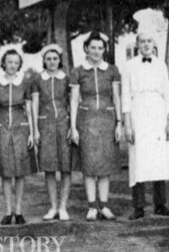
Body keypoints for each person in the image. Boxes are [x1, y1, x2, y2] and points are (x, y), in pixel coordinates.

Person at [69, 32, 122, 221]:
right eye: (93, 48)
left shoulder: (112, 70)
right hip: (86, 121)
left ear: (104, 50)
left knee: (105, 164)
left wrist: (119, 123)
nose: (97, 51)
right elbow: (74, 100)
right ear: (86, 48)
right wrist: (73, 127)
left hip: (107, 120)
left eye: (100, 48)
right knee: (89, 164)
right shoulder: (77, 71)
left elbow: (116, 97)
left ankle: (105, 206)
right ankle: (92, 206)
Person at [122, 32, 169, 220]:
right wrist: (127, 125)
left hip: (158, 114)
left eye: (149, 41)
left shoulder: (161, 65)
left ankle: (160, 204)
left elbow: (168, 95)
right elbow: (126, 96)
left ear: (154, 43)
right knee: (139, 159)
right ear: (137, 44)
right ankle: (138, 207)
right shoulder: (129, 66)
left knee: (159, 159)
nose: (146, 44)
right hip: (138, 114)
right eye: (142, 41)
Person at [0, 49, 37, 225]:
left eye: (16, 62)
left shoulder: (25, 83)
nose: (12, 66)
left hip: (20, 128)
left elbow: (29, 109)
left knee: (20, 171)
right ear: (4, 63)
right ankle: (8, 212)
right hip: (2, 128)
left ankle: (19, 211)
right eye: (9, 62)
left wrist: (31, 131)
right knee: (6, 172)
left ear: (19, 64)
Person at [31, 44, 76, 222]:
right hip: (45, 126)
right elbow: (34, 105)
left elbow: (73, 103)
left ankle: (63, 207)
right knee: (49, 168)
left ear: (60, 60)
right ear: (43, 60)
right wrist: (35, 129)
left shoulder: (67, 78)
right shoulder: (37, 80)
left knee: (65, 167)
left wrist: (73, 127)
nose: (52, 62)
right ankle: (53, 207)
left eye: (55, 59)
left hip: (64, 125)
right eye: (48, 59)